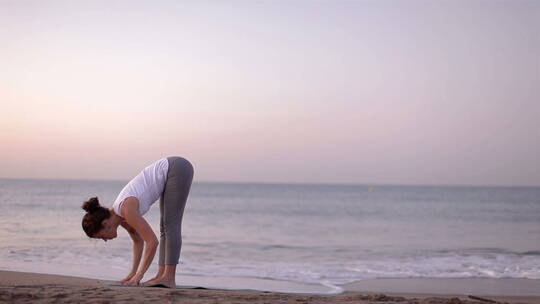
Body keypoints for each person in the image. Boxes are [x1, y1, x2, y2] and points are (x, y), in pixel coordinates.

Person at [80, 156, 194, 288]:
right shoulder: (121, 216)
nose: (105, 240)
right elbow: (138, 241)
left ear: (105, 224)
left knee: (170, 224)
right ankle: (161, 275)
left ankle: (169, 277)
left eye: (101, 236)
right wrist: (132, 274)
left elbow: (152, 242)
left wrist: (139, 276)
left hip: (176, 168)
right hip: (171, 170)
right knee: (165, 227)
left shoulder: (126, 210)